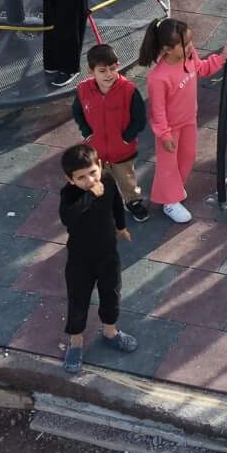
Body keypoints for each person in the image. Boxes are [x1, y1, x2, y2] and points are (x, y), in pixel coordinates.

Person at [57, 143, 141, 376]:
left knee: (111, 293)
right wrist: (90, 195)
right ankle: (75, 341)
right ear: (70, 179)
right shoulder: (69, 194)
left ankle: (110, 331)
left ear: (100, 166)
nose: (90, 180)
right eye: (81, 177)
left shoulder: (108, 180)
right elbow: (68, 217)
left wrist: (121, 227)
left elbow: (116, 204)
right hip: (80, 258)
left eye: (93, 173)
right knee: (78, 299)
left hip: (107, 254)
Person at [142, 16, 225, 224]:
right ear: (167, 49)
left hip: (189, 120)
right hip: (170, 128)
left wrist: (221, 58)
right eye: (185, 44)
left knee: (187, 157)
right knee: (168, 165)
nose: (190, 47)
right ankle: (170, 202)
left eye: (190, 42)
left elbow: (202, 68)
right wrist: (164, 135)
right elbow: (157, 110)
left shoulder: (189, 57)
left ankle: (174, 190)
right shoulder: (158, 77)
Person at [72, 41, 149, 209]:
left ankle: (133, 200)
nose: (109, 74)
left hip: (123, 150)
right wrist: (87, 133)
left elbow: (140, 119)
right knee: (100, 180)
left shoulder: (129, 90)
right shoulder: (83, 90)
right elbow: (77, 112)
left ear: (117, 66)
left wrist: (126, 138)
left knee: (127, 179)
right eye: (102, 71)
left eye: (113, 68)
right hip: (96, 150)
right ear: (91, 71)